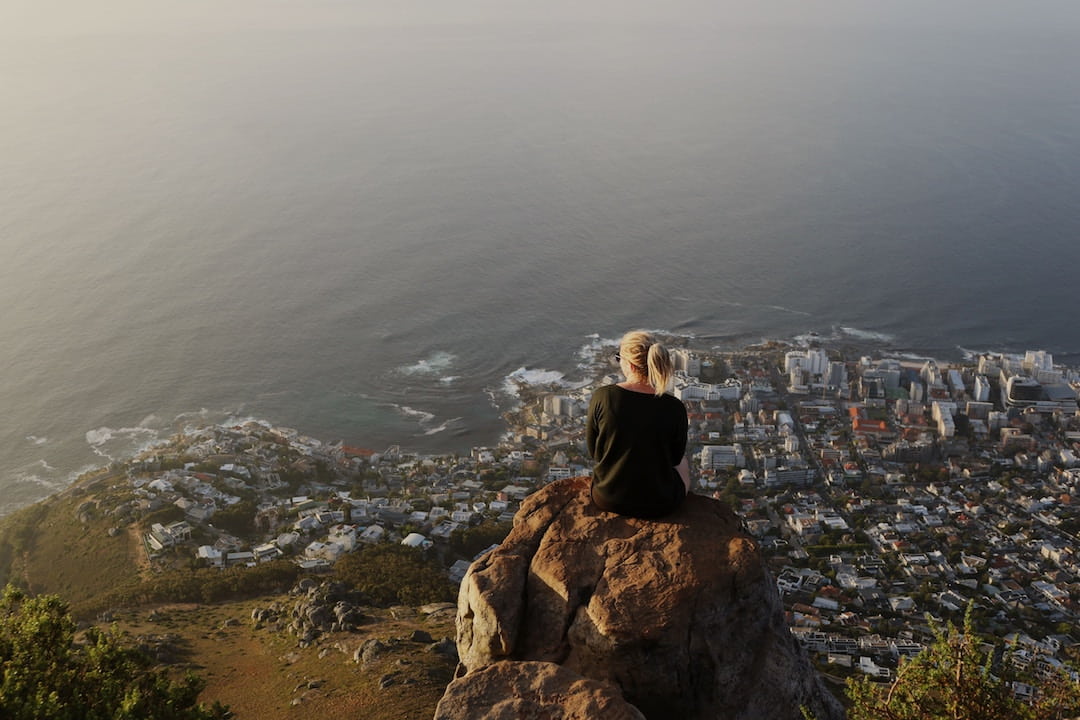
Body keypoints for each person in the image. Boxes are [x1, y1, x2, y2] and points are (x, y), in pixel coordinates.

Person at [587, 330, 691, 519]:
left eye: (620, 358)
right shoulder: (674, 407)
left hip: (608, 498)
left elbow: (595, 452)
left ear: (631, 366)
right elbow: (675, 458)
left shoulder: (603, 396)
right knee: (684, 463)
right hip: (660, 503)